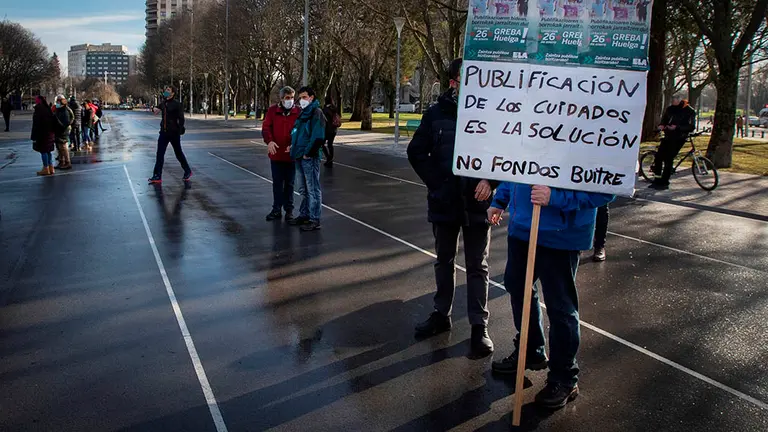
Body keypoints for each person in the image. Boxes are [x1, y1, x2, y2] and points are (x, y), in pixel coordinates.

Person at [487, 182, 614, 408]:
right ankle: (531, 349)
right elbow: (516, 167)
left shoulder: (591, 146)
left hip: (562, 234)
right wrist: (500, 199)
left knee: (560, 306)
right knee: (517, 286)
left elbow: (607, 188)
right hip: (522, 228)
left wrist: (556, 197)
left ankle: (565, 377)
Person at [407, 58, 496, 357]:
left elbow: (505, 154)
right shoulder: (435, 114)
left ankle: (478, 326)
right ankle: (440, 314)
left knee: (477, 267)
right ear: (453, 81)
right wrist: (438, 184)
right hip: (444, 203)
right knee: (443, 260)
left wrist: (491, 181)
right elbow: (416, 151)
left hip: (477, 204)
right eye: (465, 77)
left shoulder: (491, 113)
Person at [288, 86, 326, 232]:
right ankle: (304, 214)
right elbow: (297, 132)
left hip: (309, 157)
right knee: (303, 189)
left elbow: (318, 137)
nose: (302, 100)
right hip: (299, 155)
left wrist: (308, 153)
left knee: (313, 189)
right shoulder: (303, 113)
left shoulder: (316, 113)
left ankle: (314, 218)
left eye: (304, 97)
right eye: (300, 98)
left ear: (311, 98)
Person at [263, 86, 300, 222]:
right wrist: (270, 141)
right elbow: (266, 128)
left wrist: (295, 144)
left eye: (291, 97)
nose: (290, 100)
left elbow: (300, 130)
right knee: (277, 183)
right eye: (287, 98)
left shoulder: (298, 112)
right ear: (281, 98)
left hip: (291, 154)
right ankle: (276, 209)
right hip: (277, 153)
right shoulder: (273, 111)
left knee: (290, 184)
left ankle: (289, 210)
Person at [651, 95, 696, 190]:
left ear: (680, 100)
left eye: (674, 100)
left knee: (668, 158)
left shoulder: (689, 111)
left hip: (679, 138)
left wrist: (677, 127)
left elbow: (691, 126)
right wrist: (661, 126)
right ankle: (657, 180)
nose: (672, 101)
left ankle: (664, 182)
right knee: (658, 157)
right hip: (668, 136)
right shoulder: (670, 109)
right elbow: (664, 121)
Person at [149, 85, 192, 183]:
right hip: (163, 133)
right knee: (160, 154)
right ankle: (157, 175)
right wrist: (153, 108)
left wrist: (180, 129)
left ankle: (187, 170)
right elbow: (156, 111)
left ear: (172, 93)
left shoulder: (177, 104)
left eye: (168, 90)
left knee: (178, 153)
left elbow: (181, 118)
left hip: (174, 133)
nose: (166, 91)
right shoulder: (163, 103)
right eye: (166, 90)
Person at [31, 96, 56, 176]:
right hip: (50, 133)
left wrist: (34, 136)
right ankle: (51, 167)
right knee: (48, 151)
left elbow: (36, 124)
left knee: (43, 151)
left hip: (42, 134)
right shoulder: (48, 109)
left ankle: (46, 168)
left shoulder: (39, 110)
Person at [52, 95, 74, 170]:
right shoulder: (60, 110)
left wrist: (56, 120)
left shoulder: (65, 111)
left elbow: (66, 123)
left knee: (63, 147)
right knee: (59, 147)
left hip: (63, 131)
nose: (57, 103)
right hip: (59, 130)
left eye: (58, 101)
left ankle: (67, 162)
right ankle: (61, 162)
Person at [321, 95, 340, 167]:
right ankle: (330, 158)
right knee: (330, 145)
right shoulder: (334, 108)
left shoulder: (325, 110)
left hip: (327, 130)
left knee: (322, 144)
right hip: (334, 130)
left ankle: (328, 158)